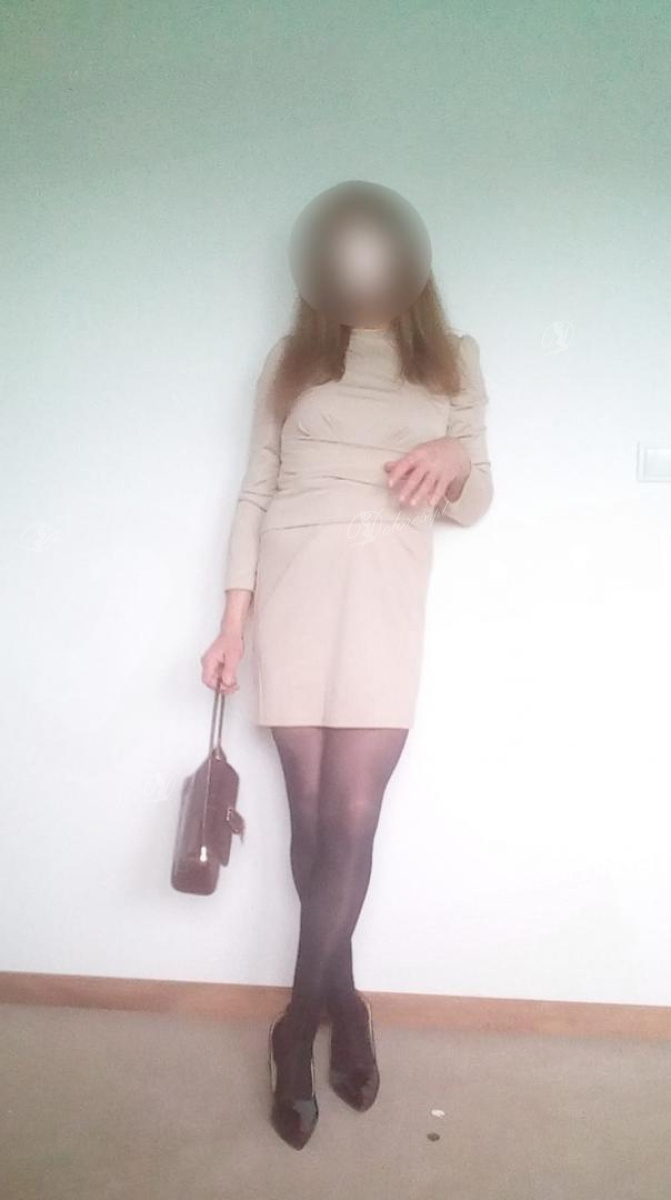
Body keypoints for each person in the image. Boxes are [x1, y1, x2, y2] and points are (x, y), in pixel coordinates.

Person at [200, 184, 494, 1149]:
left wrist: (455, 455)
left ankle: (299, 1023)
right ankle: (346, 1003)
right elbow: (254, 491)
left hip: (384, 591)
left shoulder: (452, 359)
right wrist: (231, 625)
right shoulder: (290, 359)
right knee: (311, 818)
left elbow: (475, 499)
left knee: (353, 818)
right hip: (292, 585)